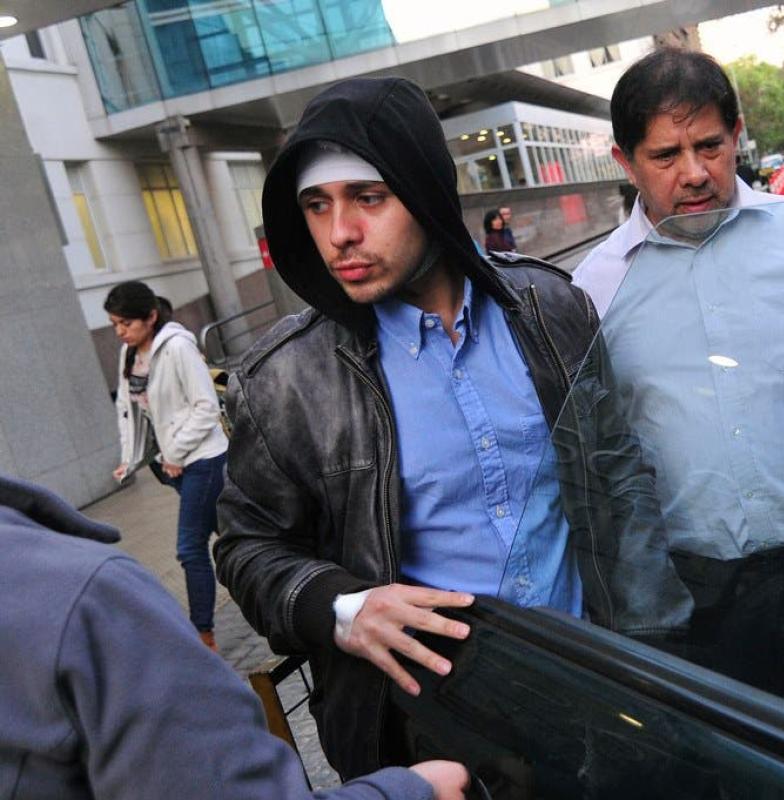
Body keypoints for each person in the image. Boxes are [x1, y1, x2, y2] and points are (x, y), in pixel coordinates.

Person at [214, 76, 688, 780]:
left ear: (425, 190)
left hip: (596, 693)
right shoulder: (286, 381)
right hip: (435, 733)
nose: (340, 233)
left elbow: (619, 479)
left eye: (367, 198)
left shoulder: (551, 310)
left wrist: (657, 662)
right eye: (317, 206)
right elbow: (247, 546)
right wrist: (342, 606)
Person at [571, 48, 784, 747]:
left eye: (709, 145)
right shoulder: (592, 290)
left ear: (737, 134)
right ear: (625, 162)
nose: (694, 172)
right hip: (698, 598)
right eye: (665, 155)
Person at [0, 473, 468, 800]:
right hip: (414, 715)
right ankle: (203, 630)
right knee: (191, 546)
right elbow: (248, 545)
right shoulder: (90, 598)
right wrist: (411, 792)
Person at [107, 280, 228, 652]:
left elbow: (206, 407)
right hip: (170, 466)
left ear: (150, 316)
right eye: (114, 324)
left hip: (203, 459)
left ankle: (203, 636)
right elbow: (129, 410)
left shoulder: (177, 347)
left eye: (126, 323)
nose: (120, 331)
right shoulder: (129, 354)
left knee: (190, 548)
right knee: (233, 538)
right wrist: (130, 459)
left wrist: (175, 452)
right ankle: (268, 591)